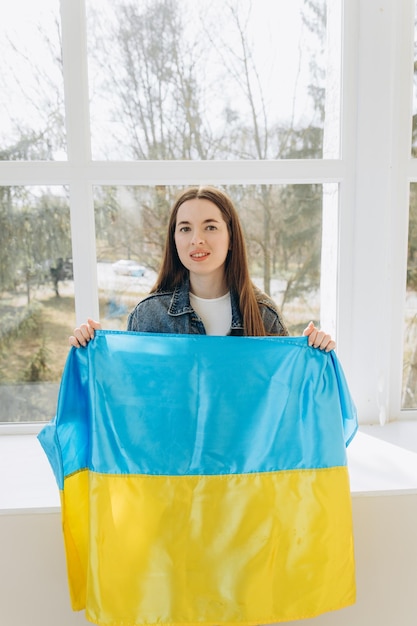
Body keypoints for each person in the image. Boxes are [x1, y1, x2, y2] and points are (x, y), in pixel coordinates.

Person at [69, 185, 335, 351]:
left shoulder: (263, 315)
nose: (197, 239)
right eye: (185, 228)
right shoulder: (148, 316)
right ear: (174, 240)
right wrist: (93, 347)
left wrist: (310, 351)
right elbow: (132, 397)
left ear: (231, 238)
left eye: (210, 227)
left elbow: (285, 399)